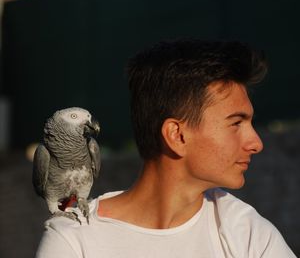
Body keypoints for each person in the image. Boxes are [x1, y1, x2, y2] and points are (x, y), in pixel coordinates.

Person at [35, 39, 296, 257]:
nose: (256, 143)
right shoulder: (72, 241)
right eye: (236, 122)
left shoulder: (248, 233)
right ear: (177, 135)